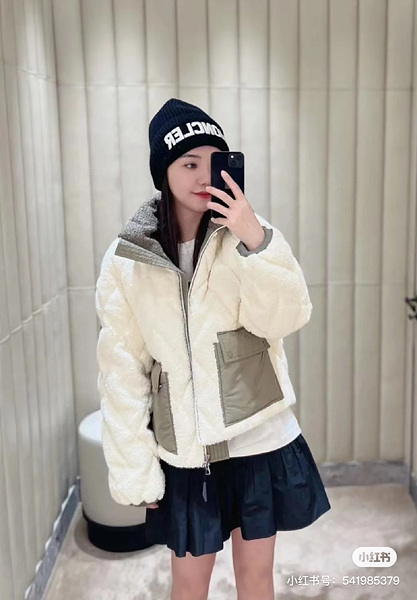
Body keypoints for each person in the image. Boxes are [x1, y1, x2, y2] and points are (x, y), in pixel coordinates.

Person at [95, 98, 331, 600]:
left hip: (257, 438)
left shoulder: (247, 233)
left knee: (256, 580)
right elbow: (121, 369)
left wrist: (255, 240)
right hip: (185, 449)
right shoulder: (127, 259)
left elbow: (286, 318)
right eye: (189, 164)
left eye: (214, 160)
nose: (204, 176)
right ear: (163, 172)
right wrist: (137, 468)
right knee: (188, 585)